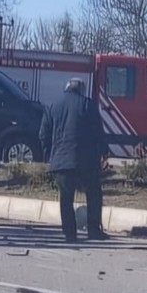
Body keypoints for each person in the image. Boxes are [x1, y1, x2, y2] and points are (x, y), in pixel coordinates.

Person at [40, 78, 107, 243]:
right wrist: (103, 152)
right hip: (85, 161)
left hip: (61, 162)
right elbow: (98, 132)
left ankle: (70, 233)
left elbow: (43, 134)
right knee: (93, 194)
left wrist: (50, 154)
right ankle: (93, 229)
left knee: (66, 198)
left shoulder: (53, 106)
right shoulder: (88, 105)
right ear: (81, 90)